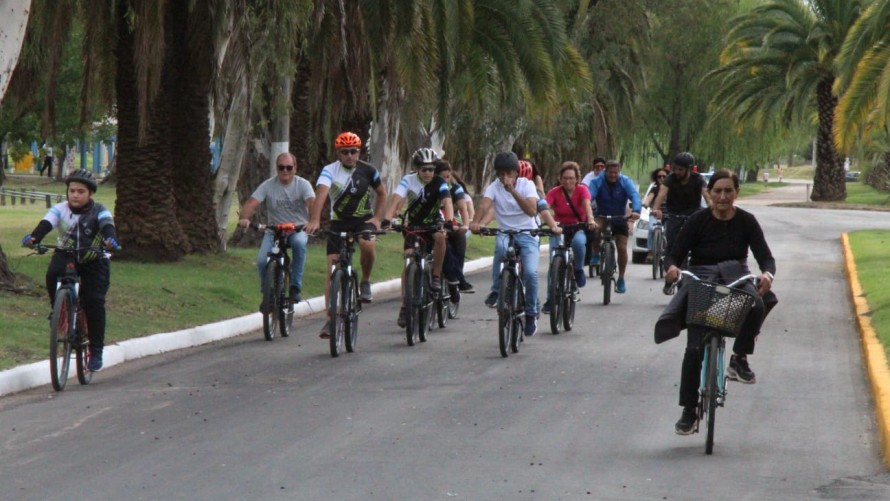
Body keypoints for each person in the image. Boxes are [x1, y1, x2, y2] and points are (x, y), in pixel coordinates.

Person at [653, 169, 778, 435]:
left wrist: (767, 273)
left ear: (736, 193)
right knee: (694, 349)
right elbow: (674, 253)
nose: (722, 197)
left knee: (757, 303)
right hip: (701, 278)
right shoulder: (698, 220)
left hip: (735, 275)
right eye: (717, 191)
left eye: (728, 191)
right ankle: (689, 411)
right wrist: (672, 267)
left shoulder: (747, 221)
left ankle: (739, 358)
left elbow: (766, 258)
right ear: (709, 193)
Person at [21, 169, 119, 372]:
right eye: (71, 190)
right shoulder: (60, 209)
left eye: (80, 191)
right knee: (52, 274)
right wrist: (34, 238)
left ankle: (96, 349)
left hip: (95, 259)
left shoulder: (100, 210)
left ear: (90, 193)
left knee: (94, 302)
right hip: (66, 254)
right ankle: (58, 310)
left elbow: (107, 225)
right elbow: (46, 224)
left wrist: (110, 240)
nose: (75, 195)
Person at [305, 132, 387, 338]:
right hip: (339, 221)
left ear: (359, 152)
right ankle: (330, 320)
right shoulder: (329, 171)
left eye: (354, 151)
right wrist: (315, 220)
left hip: (363, 220)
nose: (350, 155)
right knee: (332, 267)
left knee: (368, 244)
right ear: (338, 153)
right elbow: (321, 195)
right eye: (345, 152)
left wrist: (377, 218)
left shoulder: (368, 170)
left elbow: (382, 193)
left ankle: (365, 280)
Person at [470, 152, 560, 338]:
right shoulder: (494, 187)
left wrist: (513, 191)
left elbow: (531, 211)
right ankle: (496, 290)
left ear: (516, 173)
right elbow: (484, 206)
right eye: (500, 174)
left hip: (527, 233)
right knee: (501, 249)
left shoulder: (527, 186)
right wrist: (475, 223)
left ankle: (530, 313)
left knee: (530, 272)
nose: (504, 178)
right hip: (505, 231)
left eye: (508, 173)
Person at [382, 148, 455, 328]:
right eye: (424, 169)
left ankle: (436, 276)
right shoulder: (408, 180)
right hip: (413, 226)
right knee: (409, 259)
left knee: (440, 237)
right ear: (417, 168)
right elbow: (395, 199)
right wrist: (387, 219)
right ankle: (405, 307)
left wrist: (450, 221)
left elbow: (447, 202)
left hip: (433, 223)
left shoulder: (439, 183)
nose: (428, 173)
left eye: (431, 169)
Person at [238, 152, 315, 309]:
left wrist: (313, 221)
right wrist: (244, 218)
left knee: (299, 244)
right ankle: (268, 294)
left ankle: (295, 286)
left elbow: (312, 204)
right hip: (274, 230)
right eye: (281, 168)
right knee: (261, 261)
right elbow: (251, 203)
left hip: (297, 228)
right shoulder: (268, 185)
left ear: (295, 168)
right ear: (276, 169)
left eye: (288, 167)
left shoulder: (303, 185)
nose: (285, 171)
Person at [651, 152, 711, 294]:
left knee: (701, 246)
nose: (677, 172)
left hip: (693, 215)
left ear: (689, 169)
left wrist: (713, 210)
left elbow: (707, 196)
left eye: (680, 169)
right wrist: (656, 209)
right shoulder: (670, 179)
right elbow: (661, 195)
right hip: (675, 215)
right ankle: (669, 277)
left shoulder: (698, 179)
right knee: (672, 249)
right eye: (675, 168)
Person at [542, 161, 595, 314]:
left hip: (578, 226)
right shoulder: (554, 192)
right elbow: (544, 207)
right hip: (558, 228)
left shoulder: (582, 191)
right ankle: (551, 299)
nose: (568, 181)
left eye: (571, 178)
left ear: (577, 179)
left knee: (579, 243)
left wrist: (590, 220)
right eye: (565, 178)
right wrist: (546, 222)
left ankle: (578, 269)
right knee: (554, 262)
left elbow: (587, 206)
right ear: (560, 178)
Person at [586, 159, 641, 294]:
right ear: (605, 171)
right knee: (595, 228)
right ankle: (596, 252)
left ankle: (621, 278)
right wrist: (587, 211)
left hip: (620, 217)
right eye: (610, 172)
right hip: (602, 215)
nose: (613, 175)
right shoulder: (597, 181)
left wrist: (636, 211)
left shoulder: (625, 181)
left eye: (616, 173)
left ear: (619, 172)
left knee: (622, 248)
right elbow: (588, 196)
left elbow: (634, 196)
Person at [436, 160, 474, 293]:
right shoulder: (431, 187)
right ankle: (457, 279)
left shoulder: (455, 188)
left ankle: (456, 279)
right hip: (435, 225)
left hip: (452, 224)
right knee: (444, 245)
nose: (446, 180)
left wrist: (465, 225)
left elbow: (463, 208)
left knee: (460, 239)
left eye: (448, 177)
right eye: (443, 177)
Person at [642, 167, 668, 257]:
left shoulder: (672, 188)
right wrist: (645, 203)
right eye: (659, 177)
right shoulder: (655, 188)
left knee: (670, 231)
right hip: (655, 213)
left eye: (664, 176)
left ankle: (669, 251)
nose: (662, 178)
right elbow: (649, 197)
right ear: (656, 178)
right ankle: (650, 251)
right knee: (651, 229)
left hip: (669, 214)